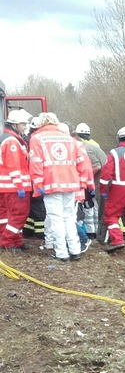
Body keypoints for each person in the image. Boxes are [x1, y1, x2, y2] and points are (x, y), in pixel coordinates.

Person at [28, 112, 90, 262]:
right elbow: (81, 162)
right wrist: (82, 184)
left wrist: (37, 184)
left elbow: (36, 163)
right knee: (69, 217)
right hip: (71, 183)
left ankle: (61, 252)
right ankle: (75, 250)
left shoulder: (37, 139)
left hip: (51, 184)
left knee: (55, 218)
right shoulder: (69, 139)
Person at [0, 109, 32, 251]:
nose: (25, 127)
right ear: (15, 124)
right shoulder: (12, 141)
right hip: (14, 186)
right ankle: (7, 241)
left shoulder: (6, 138)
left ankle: (14, 241)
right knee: (19, 214)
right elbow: (14, 165)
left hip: (6, 186)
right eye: (23, 124)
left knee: (6, 216)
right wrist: (19, 185)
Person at [74, 123, 107, 239]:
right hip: (104, 180)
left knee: (94, 207)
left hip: (100, 181)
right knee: (93, 207)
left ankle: (99, 234)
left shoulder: (86, 148)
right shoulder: (94, 144)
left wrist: (86, 180)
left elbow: (96, 166)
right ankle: (95, 232)